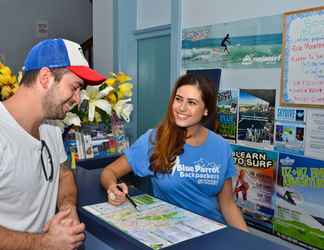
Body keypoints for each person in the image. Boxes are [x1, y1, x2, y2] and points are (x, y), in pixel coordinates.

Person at [101, 74, 248, 231]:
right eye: (178, 99)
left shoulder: (221, 146)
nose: (182, 108)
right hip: (172, 232)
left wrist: (248, 241)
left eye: (191, 102)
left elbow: (228, 204)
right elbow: (109, 171)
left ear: (206, 110)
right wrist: (112, 188)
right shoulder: (155, 139)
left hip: (213, 231)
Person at [0, 38, 106, 250]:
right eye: (74, 87)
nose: (78, 99)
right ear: (46, 78)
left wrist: (67, 206)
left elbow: (63, 174)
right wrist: (44, 243)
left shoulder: (51, 128)